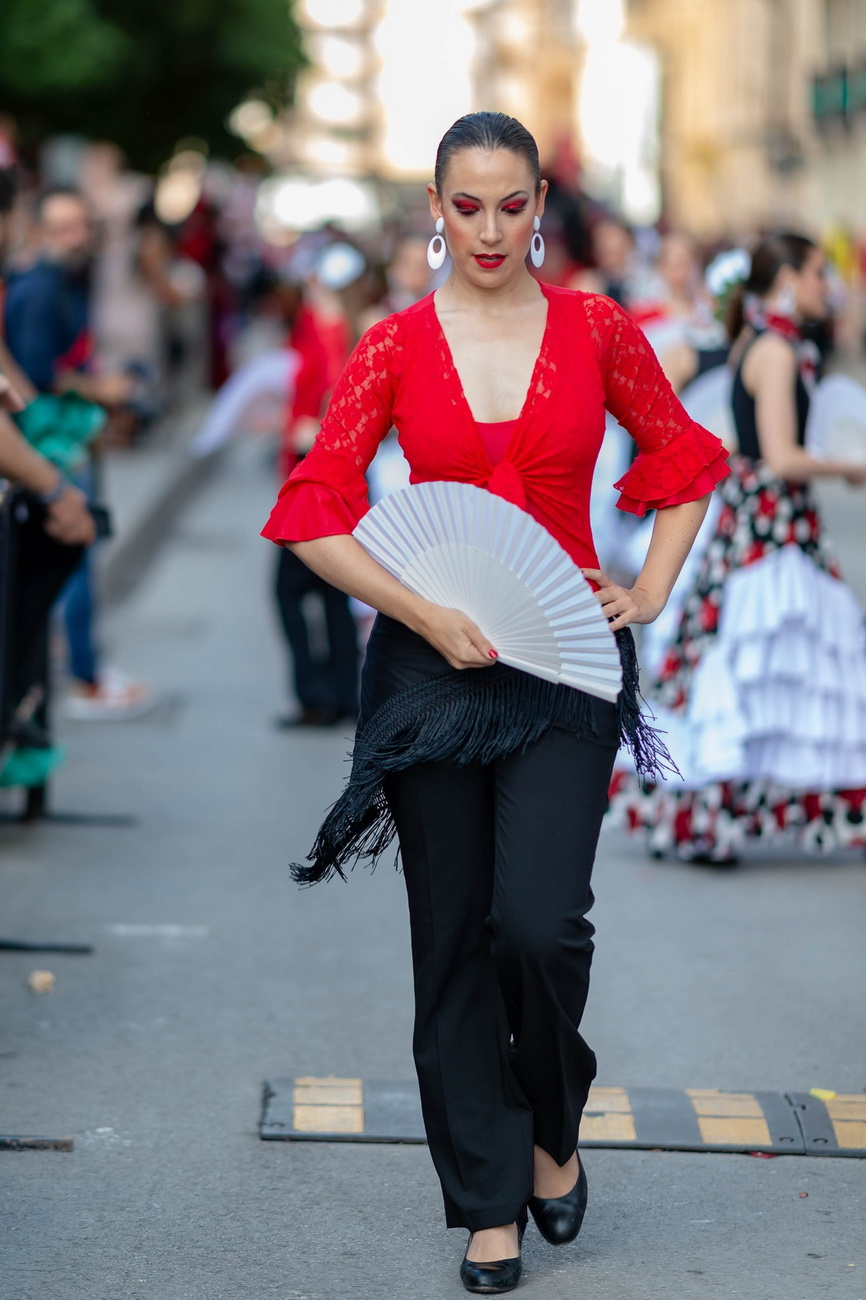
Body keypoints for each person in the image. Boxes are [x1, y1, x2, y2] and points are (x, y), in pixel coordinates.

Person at [261, 113, 728, 1293]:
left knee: (537, 923)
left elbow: (683, 460)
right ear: (434, 206)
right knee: (453, 937)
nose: (486, 229)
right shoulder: (393, 344)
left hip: (564, 660)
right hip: (429, 672)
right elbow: (312, 509)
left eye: (510, 205)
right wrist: (418, 613)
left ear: (538, 207)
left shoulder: (594, 326)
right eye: (464, 206)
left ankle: (550, 1123)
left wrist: (646, 589)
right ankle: (485, 1199)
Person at [610, 232, 866, 864]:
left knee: (770, 661)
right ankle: (719, 812)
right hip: (771, 525)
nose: (827, 285)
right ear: (787, 281)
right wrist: (849, 465)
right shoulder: (776, 349)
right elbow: (781, 457)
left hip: (766, 523)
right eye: (817, 273)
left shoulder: (763, 339)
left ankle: (718, 812)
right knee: (764, 661)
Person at [4, 186, 152, 721]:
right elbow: (37, 377)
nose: (75, 237)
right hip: (48, 446)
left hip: (56, 442)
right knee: (74, 553)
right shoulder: (39, 288)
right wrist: (101, 390)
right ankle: (82, 679)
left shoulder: (61, 281)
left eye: (81, 225)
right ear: (35, 229)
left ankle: (72, 678)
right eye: (62, 227)